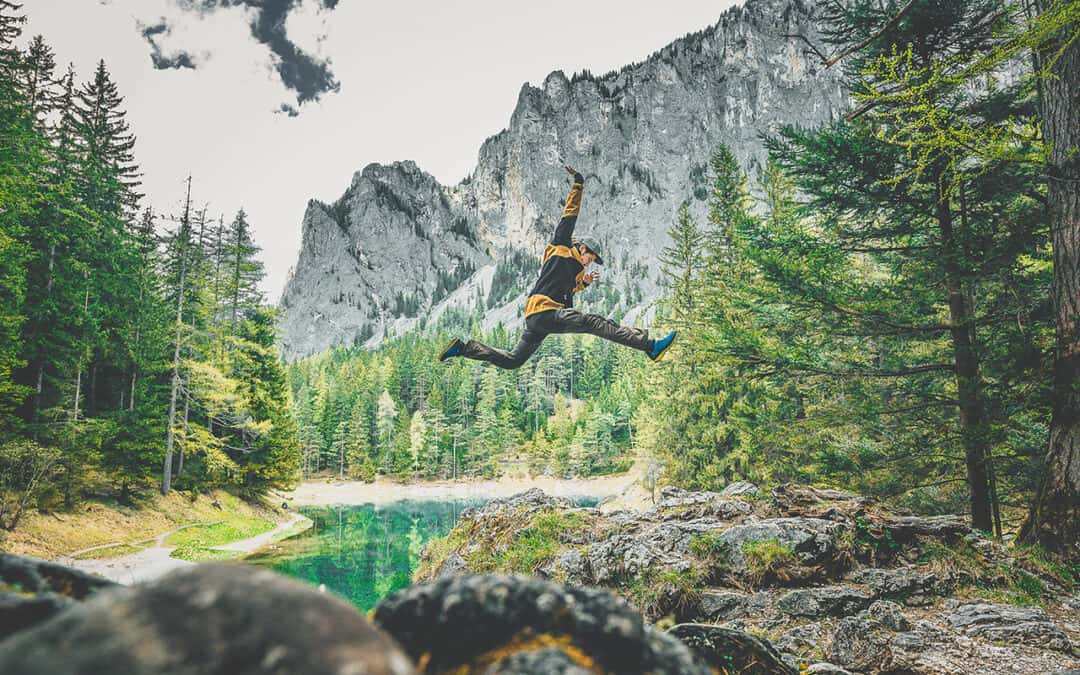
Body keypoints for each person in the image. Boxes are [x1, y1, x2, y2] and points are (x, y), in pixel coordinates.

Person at [438, 164, 677, 370]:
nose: (590, 262)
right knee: (595, 323)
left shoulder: (575, 272)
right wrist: (578, 184)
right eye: (591, 257)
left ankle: (463, 349)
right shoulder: (561, 245)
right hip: (545, 311)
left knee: (513, 360)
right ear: (582, 249)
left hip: (537, 319)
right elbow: (569, 214)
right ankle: (649, 346)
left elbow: (563, 288)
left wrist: (582, 283)